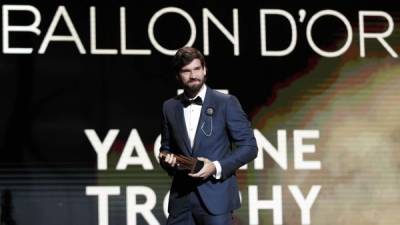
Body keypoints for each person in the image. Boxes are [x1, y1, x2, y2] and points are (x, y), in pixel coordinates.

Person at [159, 47, 258, 225]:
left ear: (205, 70)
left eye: (197, 69)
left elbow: (249, 147)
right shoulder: (169, 107)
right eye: (186, 71)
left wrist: (216, 167)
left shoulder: (226, 103)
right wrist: (168, 160)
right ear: (178, 76)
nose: (193, 75)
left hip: (216, 200)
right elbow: (166, 148)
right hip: (181, 202)